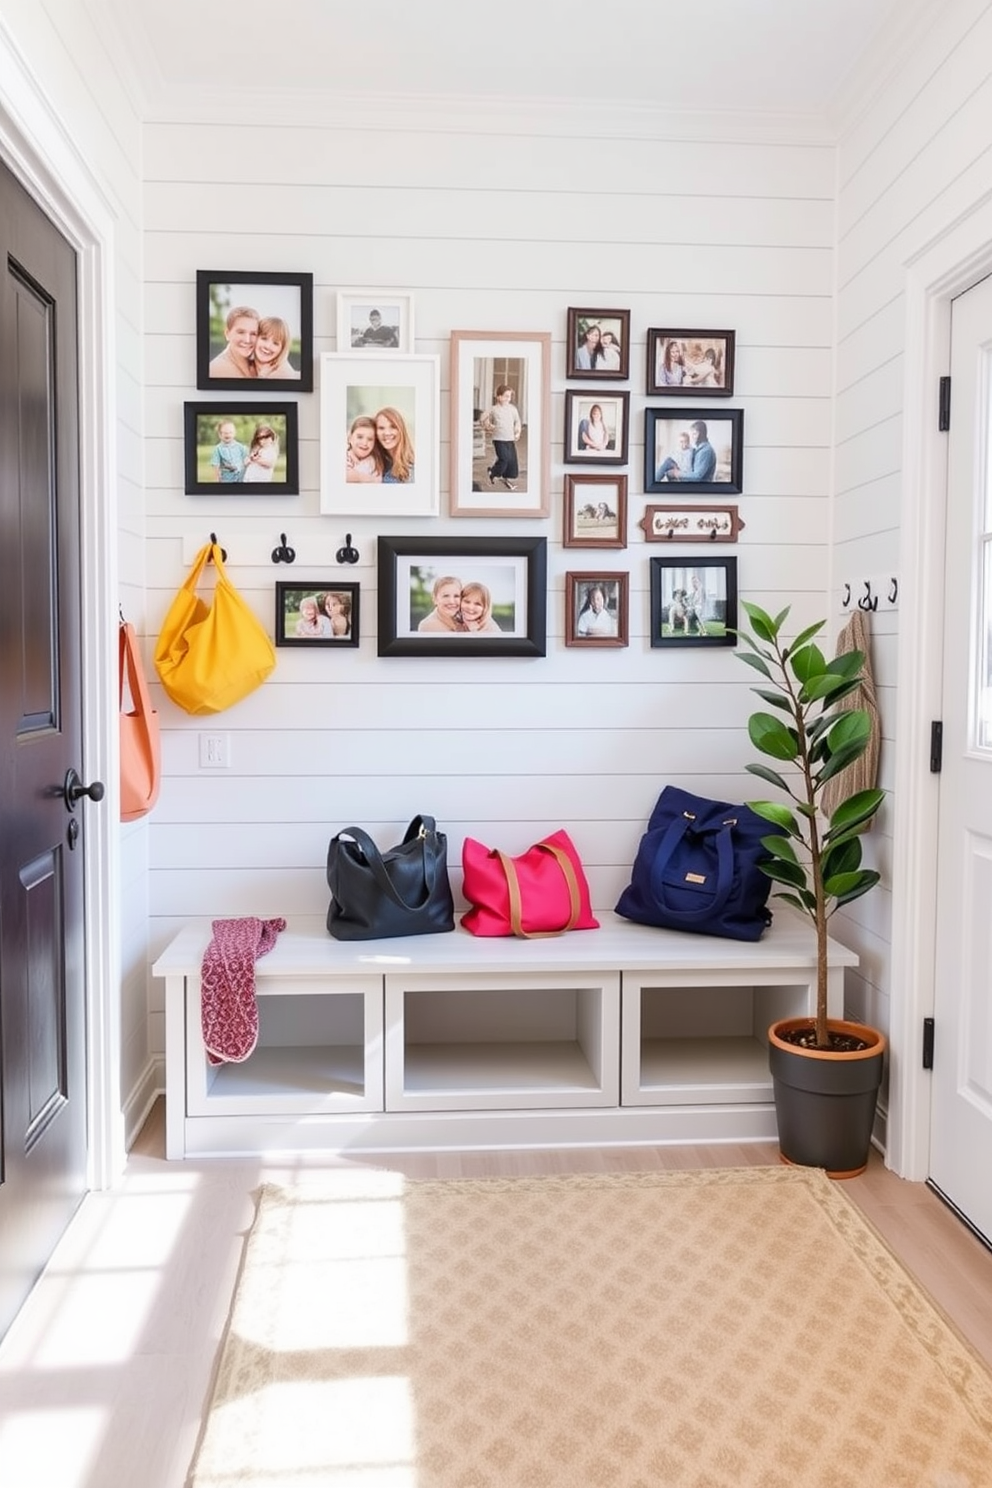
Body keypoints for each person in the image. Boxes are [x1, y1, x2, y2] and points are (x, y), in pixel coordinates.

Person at [480, 383, 521, 491]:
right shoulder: (493, 409)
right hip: (499, 439)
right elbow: (483, 418)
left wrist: (517, 432)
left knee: (511, 461)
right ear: (499, 396)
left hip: (510, 439)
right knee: (504, 459)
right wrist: (488, 426)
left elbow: (517, 422)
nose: (509, 398)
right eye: (506, 396)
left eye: (510, 396)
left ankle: (506, 477)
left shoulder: (513, 409)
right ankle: (492, 473)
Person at [208, 305, 259, 379]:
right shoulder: (216, 369)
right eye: (241, 332)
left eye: (253, 334)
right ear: (227, 334)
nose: (247, 340)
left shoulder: (256, 365)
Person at [376, 407, 415, 483]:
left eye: (393, 427)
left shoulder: (413, 469)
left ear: (401, 430)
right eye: (381, 428)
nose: (387, 433)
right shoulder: (374, 462)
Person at [345, 415, 384, 482]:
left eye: (370, 439)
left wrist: (358, 477)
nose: (365, 443)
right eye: (360, 437)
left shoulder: (374, 463)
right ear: (350, 438)